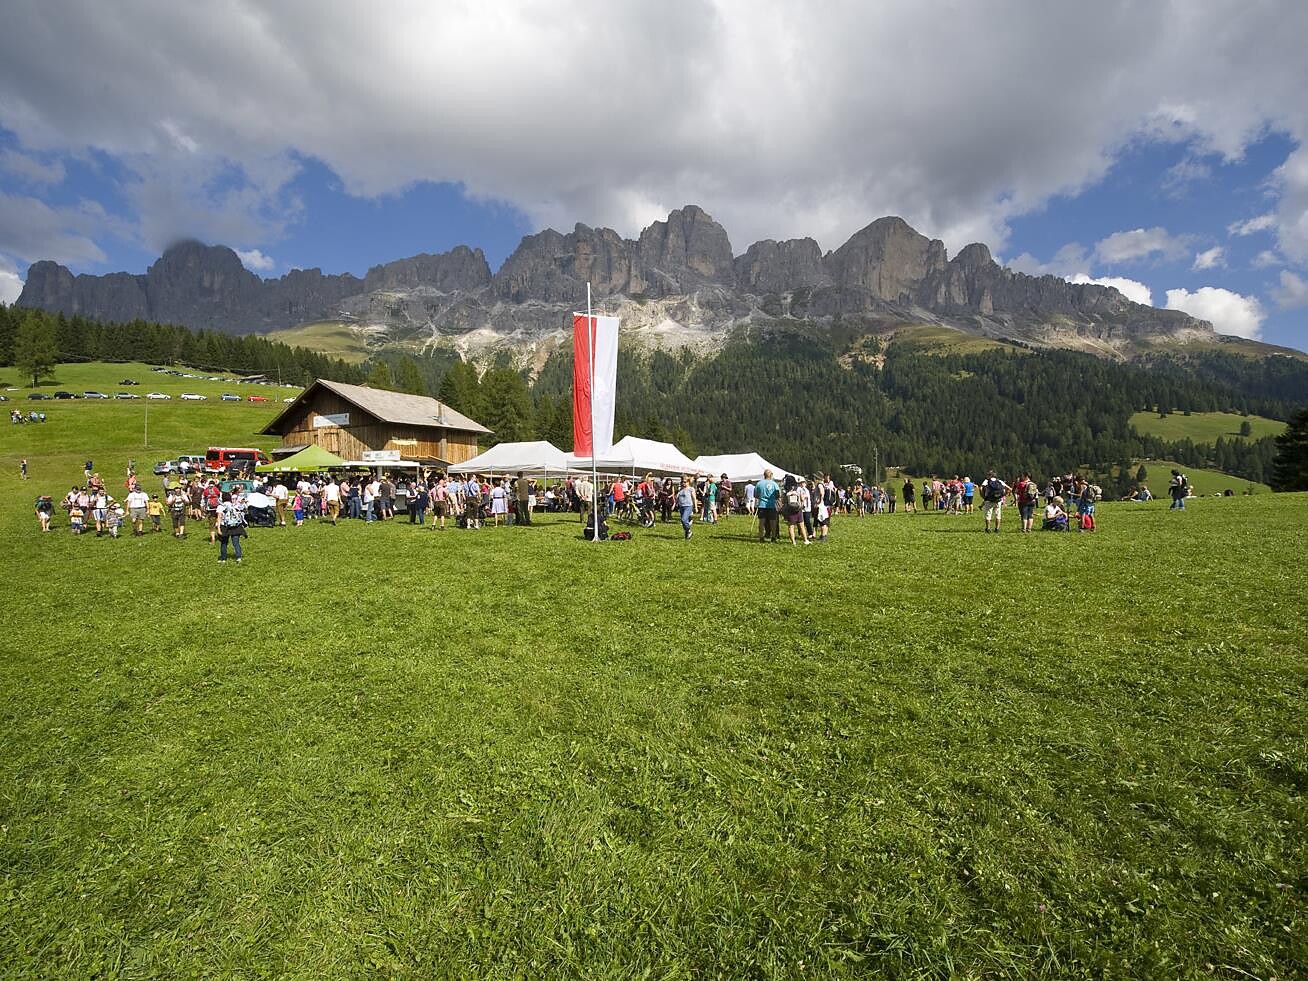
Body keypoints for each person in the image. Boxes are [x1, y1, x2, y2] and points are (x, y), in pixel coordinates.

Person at [216, 491, 247, 563]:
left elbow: (219, 517)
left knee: (224, 543)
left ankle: (223, 559)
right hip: (236, 526)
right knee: (236, 543)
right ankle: (239, 557)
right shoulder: (234, 505)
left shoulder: (221, 506)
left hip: (225, 526)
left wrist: (218, 528)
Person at [755, 469, 781, 543]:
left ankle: (761, 537)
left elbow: (756, 495)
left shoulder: (759, 483)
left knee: (761, 522)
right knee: (773, 522)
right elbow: (778, 495)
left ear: (764, 475)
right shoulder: (774, 484)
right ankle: (773, 537)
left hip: (762, 505)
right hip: (771, 505)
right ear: (771, 475)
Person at [675, 475, 698, 539]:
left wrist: (695, 507)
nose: (683, 483)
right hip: (681, 506)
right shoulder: (681, 490)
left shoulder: (691, 489)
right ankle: (687, 533)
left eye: (685, 482)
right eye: (682, 482)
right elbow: (677, 498)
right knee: (684, 521)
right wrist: (675, 504)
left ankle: (689, 531)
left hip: (688, 506)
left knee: (683, 519)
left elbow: (694, 498)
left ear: (688, 482)